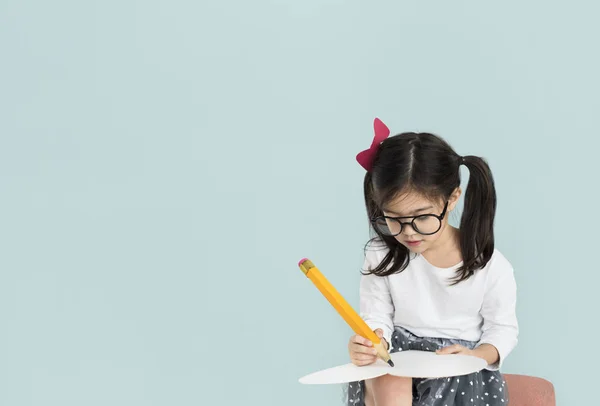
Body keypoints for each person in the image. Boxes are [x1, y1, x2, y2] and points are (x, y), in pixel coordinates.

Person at [346, 118, 518, 406]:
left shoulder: (489, 265)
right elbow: (376, 314)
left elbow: (503, 329)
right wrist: (373, 341)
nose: (408, 232)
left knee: (450, 376)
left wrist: (478, 355)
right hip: (398, 355)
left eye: (422, 217)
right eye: (394, 220)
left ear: (452, 200)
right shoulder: (382, 252)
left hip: (456, 365)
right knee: (386, 373)